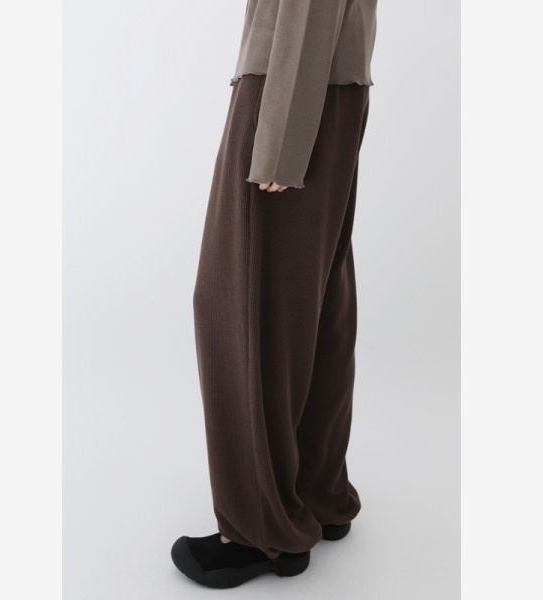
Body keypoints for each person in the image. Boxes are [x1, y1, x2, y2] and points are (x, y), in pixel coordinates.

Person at [171, 0, 378, 588]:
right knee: (311, 304)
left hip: (288, 93)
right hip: (327, 87)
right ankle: (316, 492)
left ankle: (260, 529)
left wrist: (282, 138)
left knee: (241, 309)